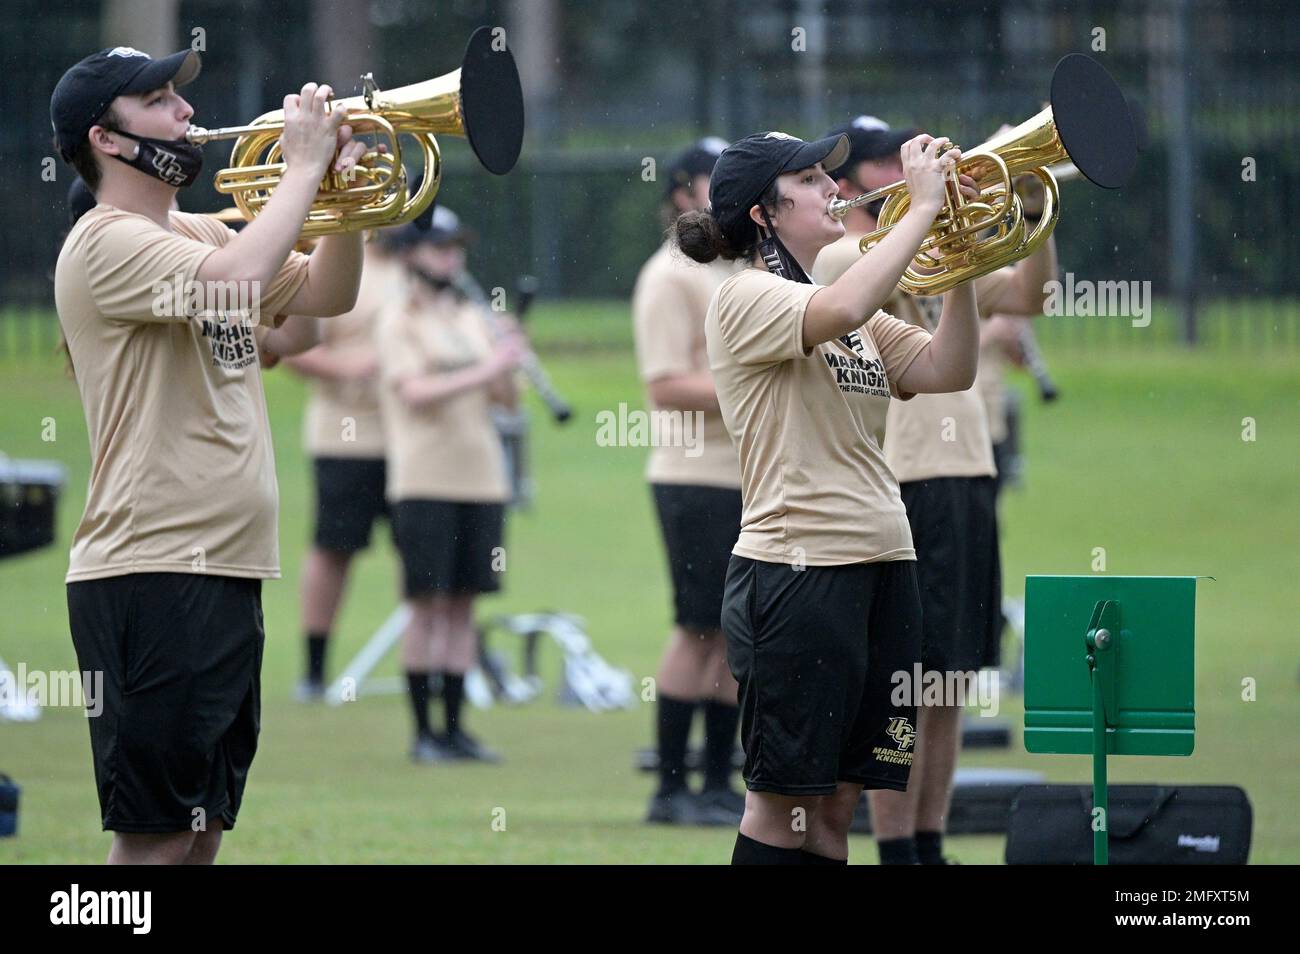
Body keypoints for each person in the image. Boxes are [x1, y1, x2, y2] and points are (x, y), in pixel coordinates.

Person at [52, 45, 366, 863]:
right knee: (153, 842)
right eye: (158, 101)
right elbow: (234, 280)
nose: (186, 113)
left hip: (225, 568)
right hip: (150, 568)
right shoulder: (103, 242)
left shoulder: (193, 229)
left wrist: (343, 204)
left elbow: (317, 307)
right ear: (109, 139)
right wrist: (299, 171)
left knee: (200, 837)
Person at [673, 128, 984, 865]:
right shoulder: (746, 296)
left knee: (840, 806)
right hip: (797, 573)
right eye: (811, 179)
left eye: (827, 175)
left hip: (884, 563)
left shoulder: (846, 307)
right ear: (764, 214)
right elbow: (841, 311)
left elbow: (950, 367)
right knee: (786, 807)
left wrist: (963, 253)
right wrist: (921, 211)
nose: (834, 189)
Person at [815, 115, 1057, 864]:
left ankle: (929, 841)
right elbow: (864, 295)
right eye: (887, 163)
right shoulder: (839, 258)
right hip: (907, 476)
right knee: (905, 682)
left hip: (970, 475)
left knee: (952, 682)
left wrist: (1027, 208)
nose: (903, 169)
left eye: (905, 158)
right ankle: (894, 850)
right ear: (850, 186)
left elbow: (1028, 296)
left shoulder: (939, 241)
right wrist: (927, 209)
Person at [375, 207, 524, 763]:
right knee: (426, 605)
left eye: (456, 247)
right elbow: (413, 392)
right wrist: (487, 369)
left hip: (482, 481)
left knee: (463, 606)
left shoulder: (471, 316)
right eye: (440, 248)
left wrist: (509, 358)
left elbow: (505, 403)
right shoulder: (397, 319)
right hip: (423, 481)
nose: (451, 258)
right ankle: (423, 733)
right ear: (412, 254)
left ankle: (457, 729)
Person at [632, 138, 747, 826]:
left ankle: (715, 783)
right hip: (694, 476)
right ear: (682, 194)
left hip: (740, 476)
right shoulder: (669, 274)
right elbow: (666, 384)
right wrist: (755, 385)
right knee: (697, 628)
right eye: (713, 180)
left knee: (735, 635)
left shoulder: (728, 267)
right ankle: (670, 788)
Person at [282, 236, 406, 700]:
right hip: (345, 436)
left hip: (413, 442)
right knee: (334, 549)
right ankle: (314, 668)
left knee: (423, 551)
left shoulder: (423, 269)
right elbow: (291, 349)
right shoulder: (339, 261)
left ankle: (438, 661)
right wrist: (349, 368)